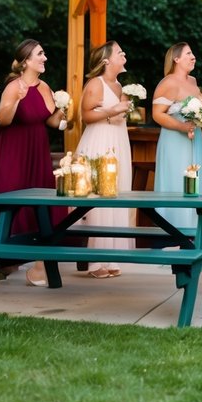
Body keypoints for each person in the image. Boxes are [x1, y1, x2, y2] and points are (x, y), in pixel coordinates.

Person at [0, 39, 70, 286]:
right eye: (40, 54)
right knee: (13, 199)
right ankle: (3, 260)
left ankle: (39, 264)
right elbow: (2, 120)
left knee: (42, 202)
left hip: (38, 149)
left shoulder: (45, 86)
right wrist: (15, 100)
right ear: (26, 61)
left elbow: (50, 122)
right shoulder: (15, 86)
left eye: (44, 53)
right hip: (15, 150)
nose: (45, 58)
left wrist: (63, 111)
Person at [75, 41, 134, 278]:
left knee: (116, 194)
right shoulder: (95, 84)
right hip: (99, 142)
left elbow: (114, 113)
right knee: (99, 197)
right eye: (120, 52)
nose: (124, 54)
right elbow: (86, 115)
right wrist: (113, 110)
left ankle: (112, 256)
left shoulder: (118, 85)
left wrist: (122, 110)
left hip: (118, 140)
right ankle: (96, 261)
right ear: (107, 60)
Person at [152, 42, 202, 232]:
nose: (193, 57)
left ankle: (195, 232)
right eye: (188, 53)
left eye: (192, 53)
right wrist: (182, 126)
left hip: (194, 140)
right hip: (175, 140)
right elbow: (157, 114)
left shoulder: (193, 82)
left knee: (196, 183)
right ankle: (173, 232)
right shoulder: (168, 82)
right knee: (177, 182)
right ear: (176, 59)